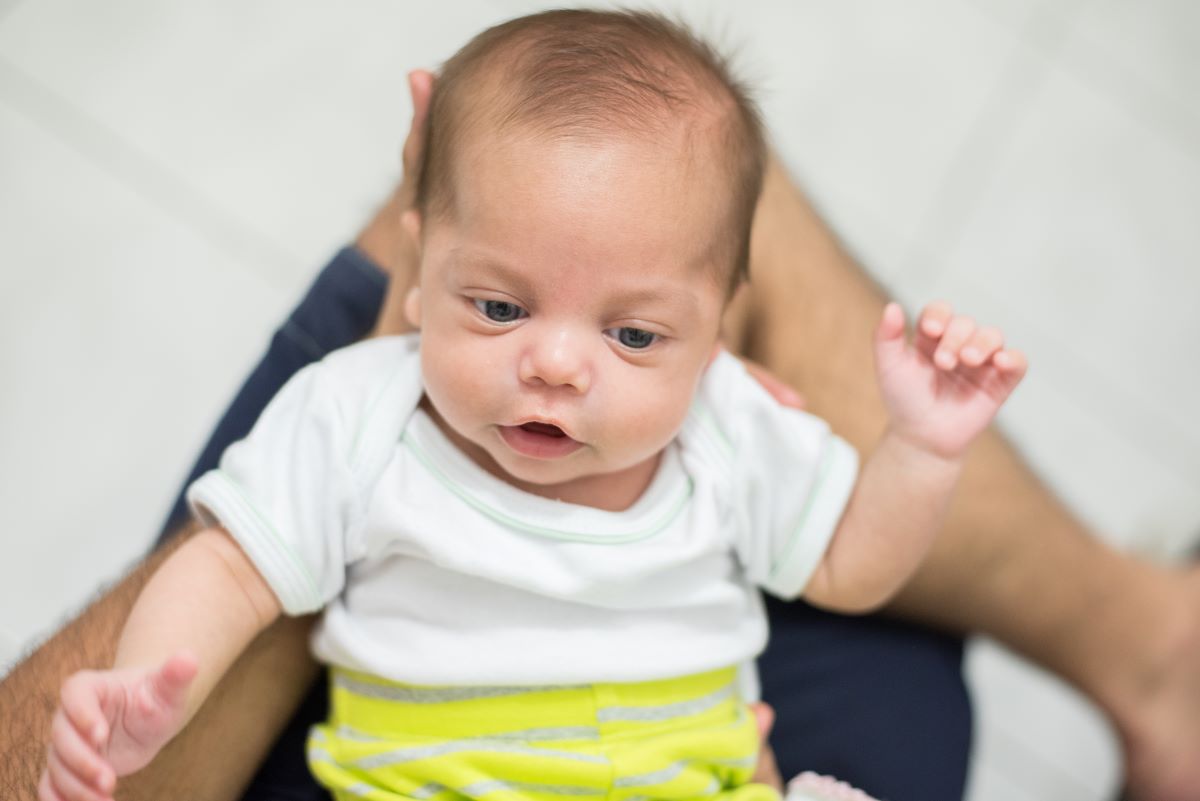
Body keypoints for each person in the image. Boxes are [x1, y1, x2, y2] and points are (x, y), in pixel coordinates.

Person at [4, 15, 1199, 801]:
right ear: (417, 261)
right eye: (496, 307)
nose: (558, 367)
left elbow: (848, 564)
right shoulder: (362, 411)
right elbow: (231, 570)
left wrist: (922, 454)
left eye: (634, 335)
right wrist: (147, 689)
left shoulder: (728, 424)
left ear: (724, 320)